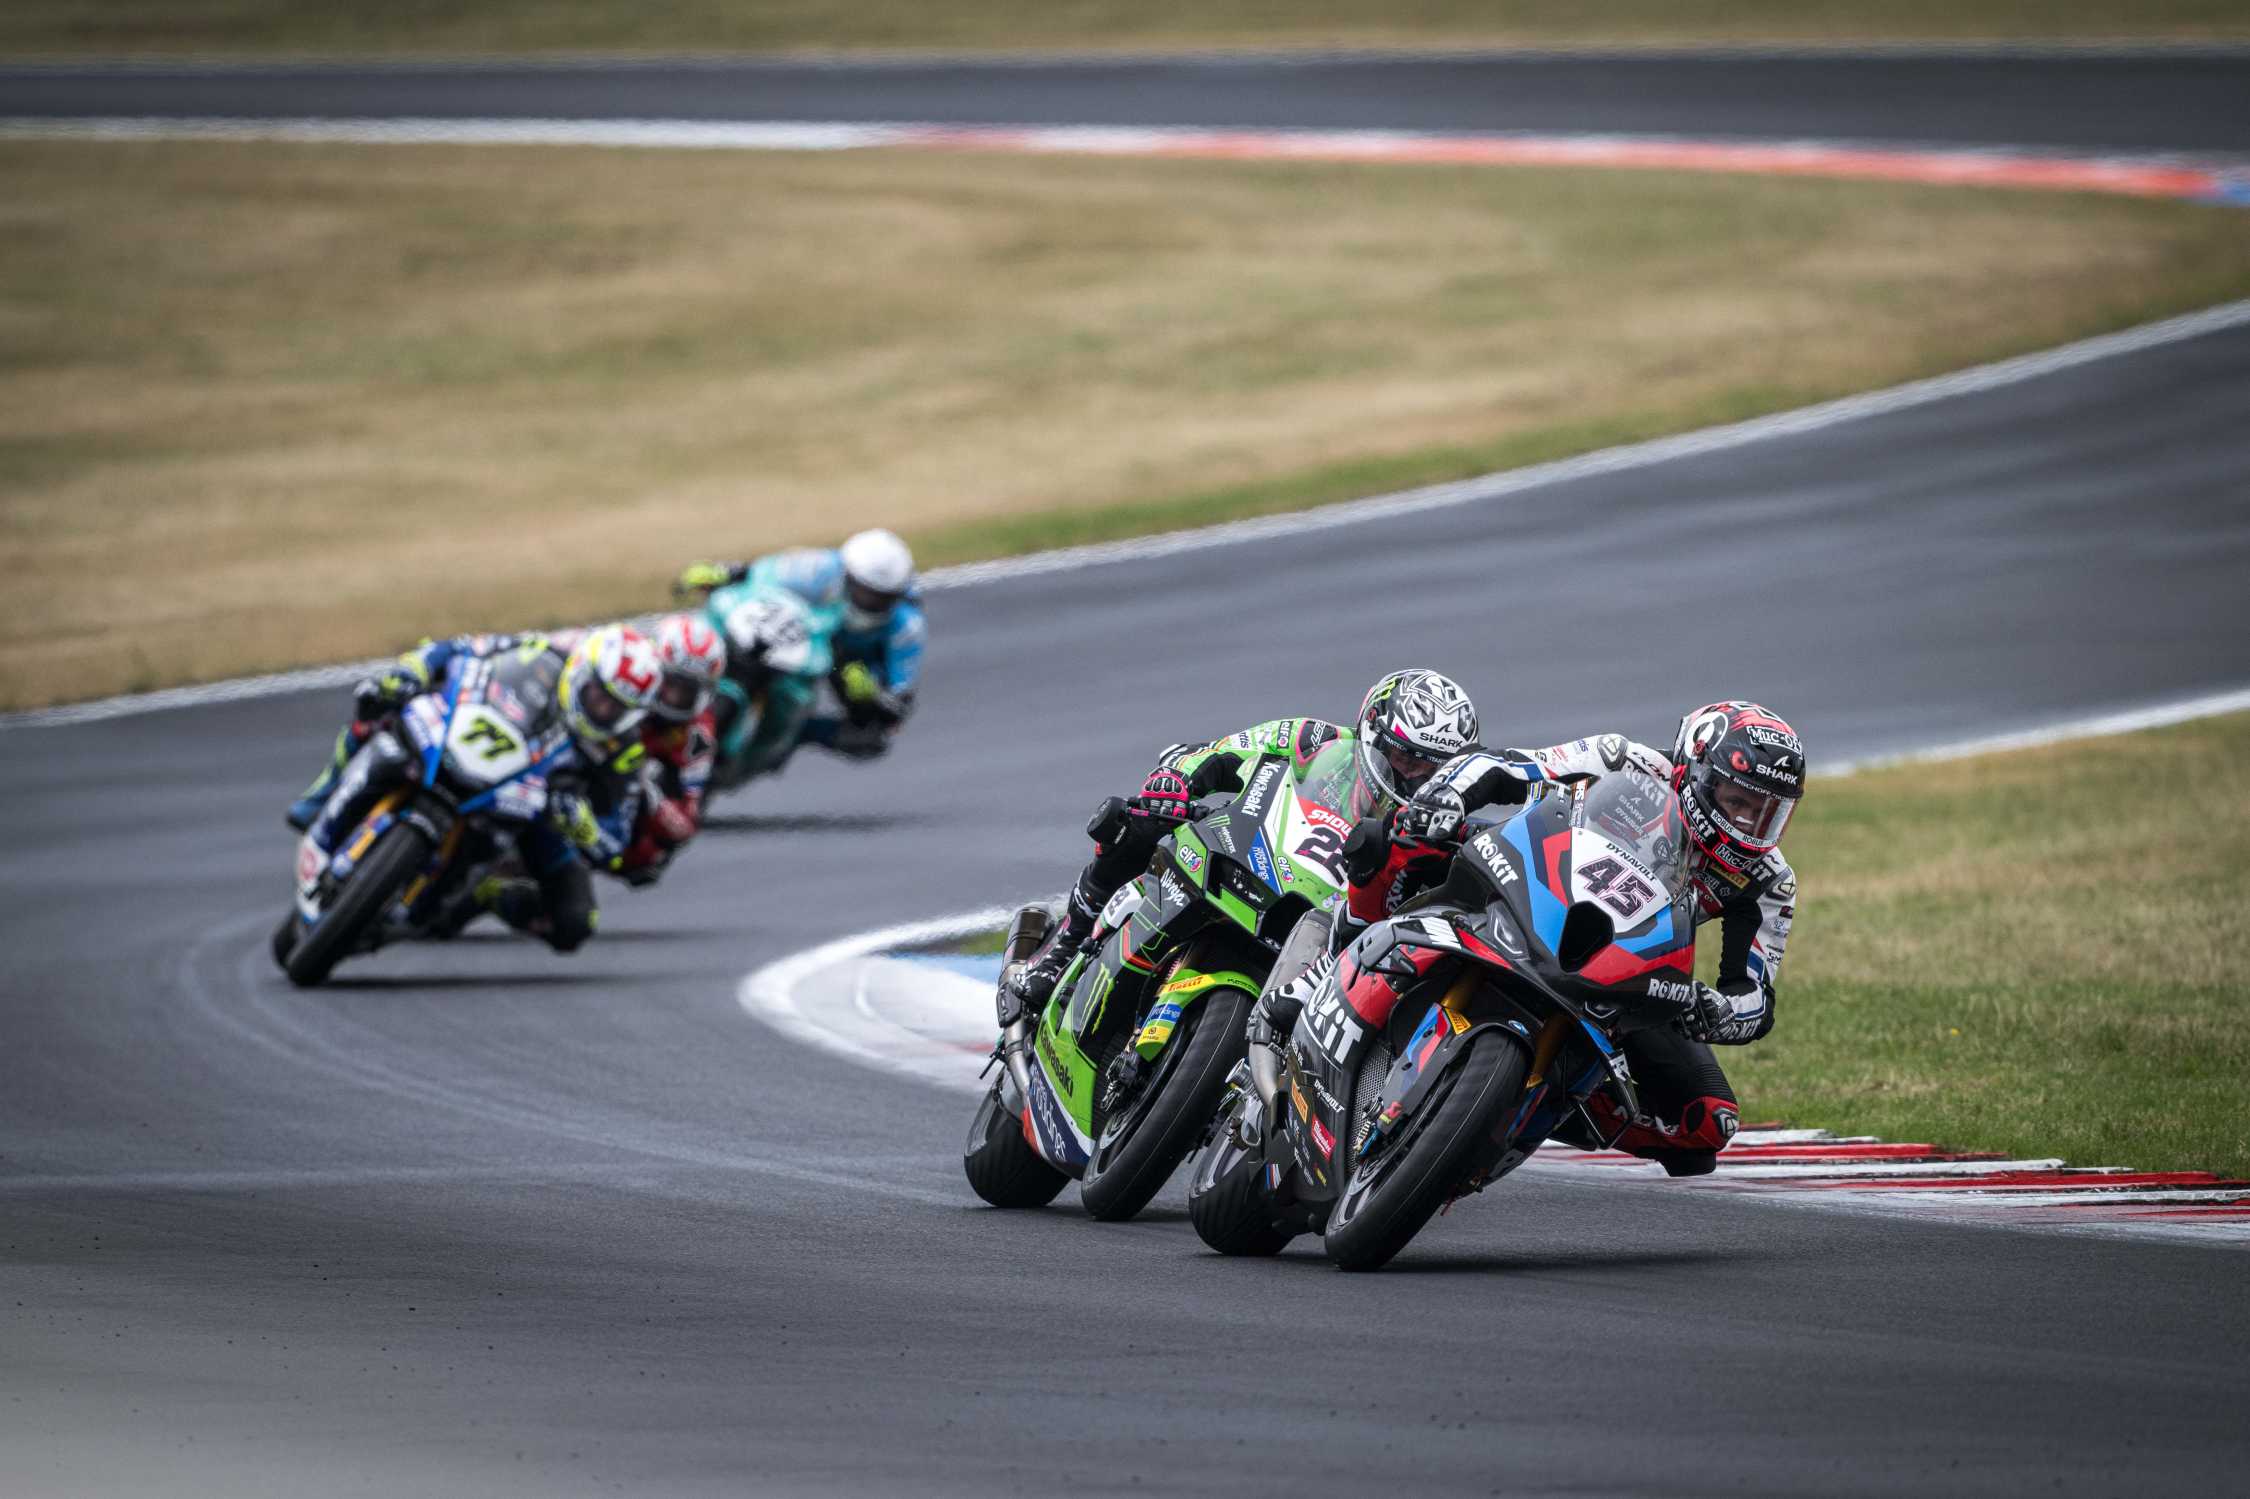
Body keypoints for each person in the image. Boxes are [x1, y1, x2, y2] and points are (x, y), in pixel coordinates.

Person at [1256, 700, 1804, 1177]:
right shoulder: (1624, 758)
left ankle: (1534, 1105)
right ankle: (1321, 971)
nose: (1749, 825)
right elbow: (1504, 766)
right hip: (1526, 876)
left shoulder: (1769, 881)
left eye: (1768, 814)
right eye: (1737, 801)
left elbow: (1754, 994)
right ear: (1696, 769)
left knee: (1707, 1124)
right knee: (1395, 838)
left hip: (1618, 964)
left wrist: (1718, 1011)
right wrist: (1447, 796)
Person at [997, 669, 1481, 1023]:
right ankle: (1065, 945)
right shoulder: (1314, 739)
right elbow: (1220, 752)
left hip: (1324, 931)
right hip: (1251, 857)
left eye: (1430, 771)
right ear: (1373, 731)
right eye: (1405, 758)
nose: (1411, 776)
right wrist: (1175, 781)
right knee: (1136, 822)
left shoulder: (1434, 829)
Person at [293, 625, 665, 953]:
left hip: (536, 812)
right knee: (376, 704)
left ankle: (484, 890)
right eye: (598, 694)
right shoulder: (539, 654)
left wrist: (583, 826)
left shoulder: (623, 750)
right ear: (582, 672)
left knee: (575, 922)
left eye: (616, 708)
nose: (602, 709)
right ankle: (322, 794)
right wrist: (411, 672)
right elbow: (456, 648)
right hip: (468, 739)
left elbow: (616, 842)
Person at [673, 528, 924, 765]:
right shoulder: (824, 567)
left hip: (845, 665)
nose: (871, 603)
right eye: (865, 593)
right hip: (802, 633)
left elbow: (899, 703)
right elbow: (764, 573)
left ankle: (801, 733)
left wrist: (875, 694)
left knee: (870, 738)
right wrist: (726, 573)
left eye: (881, 598)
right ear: (848, 577)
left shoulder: (906, 626)